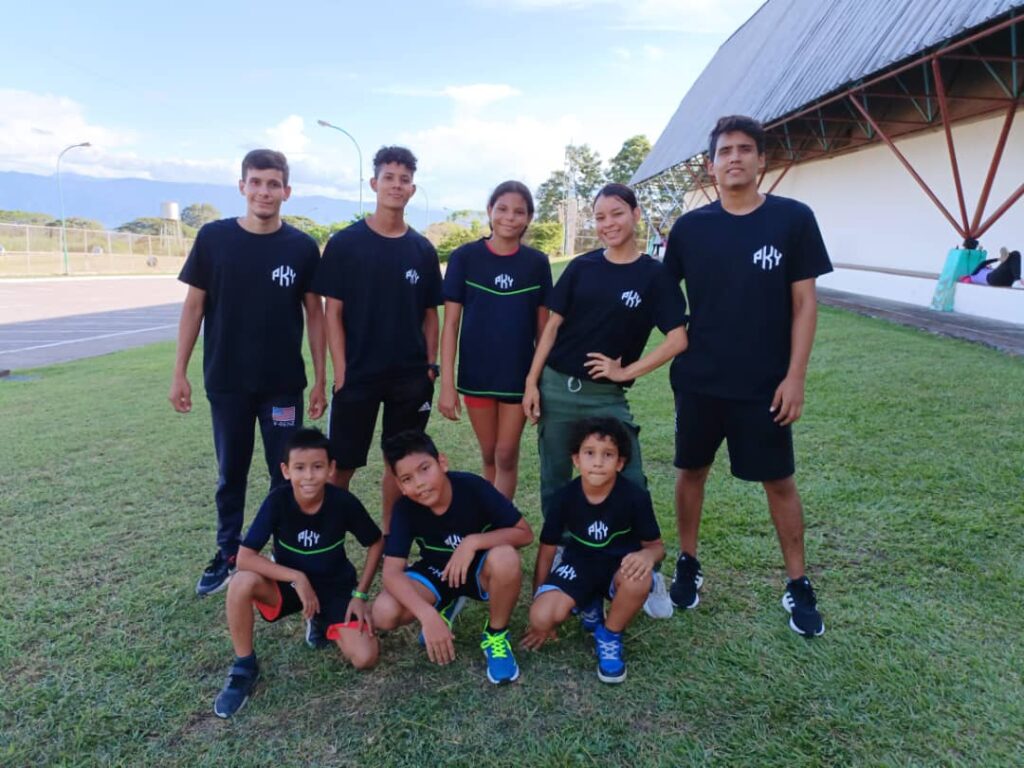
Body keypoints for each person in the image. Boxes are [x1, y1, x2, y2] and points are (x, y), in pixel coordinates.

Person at [663, 115, 832, 637]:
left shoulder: (792, 219)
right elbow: (663, 299)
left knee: (779, 481)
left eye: (744, 149)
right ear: (711, 166)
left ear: (762, 160)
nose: (733, 157)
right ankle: (687, 564)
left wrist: (795, 376)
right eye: (723, 151)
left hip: (764, 384)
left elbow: (805, 304)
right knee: (691, 471)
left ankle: (798, 582)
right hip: (699, 380)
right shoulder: (690, 228)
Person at [521, 182, 687, 617]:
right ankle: (567, 559)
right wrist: (532, 382)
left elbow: (677, 339)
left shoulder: (655, 275)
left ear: (635, 214)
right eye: (599, 217)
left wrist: (625, 372)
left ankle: (642, 569)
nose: (608, 224)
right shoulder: (581, 267)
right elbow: (552, 328)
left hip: (606, 396)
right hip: (557, 386)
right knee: (557, 478)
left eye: (616, 213)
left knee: (629, 477)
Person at [170, 149, 326, 597]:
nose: (264, 191)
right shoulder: (214, 239)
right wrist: (178, 372)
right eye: (255, 182)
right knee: (231, 472)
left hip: (282, 386)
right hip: (227, 382)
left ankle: (290, 554)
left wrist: (319, 376)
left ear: (287, 191)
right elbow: (194, 307)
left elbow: (314, 315)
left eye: (273, 184)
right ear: (242, 186)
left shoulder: (300, 246)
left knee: (288, 473)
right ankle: (228, 554)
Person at [313, 146, 441, 533]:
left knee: (400, 463)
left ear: (412, 189)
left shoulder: (421, 249)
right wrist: (341, 371)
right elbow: (331, 311)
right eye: (389, 177)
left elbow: (431, 315)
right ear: (374, 183)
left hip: (410, 377)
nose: (396, 186)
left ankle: (390, 533)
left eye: (404, 180)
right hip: (358, 376)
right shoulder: (345, 243)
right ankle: (330, 533)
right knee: (342, 464)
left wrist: (431, 367)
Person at [212, 428, 383, 718]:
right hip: (290, 587)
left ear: (330, 469)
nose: (309, 476)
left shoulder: (343, 502)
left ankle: (320, 621)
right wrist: (296, 577)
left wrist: (360, 594)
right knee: (241, 581)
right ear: (286, 470)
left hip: (334, 588)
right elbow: (244, 557)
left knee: (365, 657)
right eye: (300, 468)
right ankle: (244, 666)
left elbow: (376, 542)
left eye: (317, 467)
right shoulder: (278, 501)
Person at [371, 430, 534, 685]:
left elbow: (524, 534)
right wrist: (426, 615)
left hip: (478, 570)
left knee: (506, 558)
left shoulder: (472, 487)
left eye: (425, 469)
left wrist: (473, 542)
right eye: (408, 479)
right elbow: (391, 572)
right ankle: (442, 606)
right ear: (400, 486)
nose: (420, 483)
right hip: (437, 573)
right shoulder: (404, 508)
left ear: (442, 462)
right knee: (383, 612)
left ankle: (496, 635)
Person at [521, 417, 665, 684]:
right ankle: (589, 602)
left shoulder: (635, 497)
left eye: (607, 454)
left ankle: (609, 635)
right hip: (578, 565)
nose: (598, 462)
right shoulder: (564, 497)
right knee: (541, 618)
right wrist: (537, 595)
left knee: (639, 578)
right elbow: (547, 548)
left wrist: (647, 556)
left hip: (617, 567)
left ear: (620, 463)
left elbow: (657, 548)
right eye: (589, 453)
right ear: (576, 459)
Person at [438, 180, 552, 500]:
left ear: (529, 218)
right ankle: (493, 519)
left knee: (506, 454)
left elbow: (544, 331)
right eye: (502, 208)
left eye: (519, 211)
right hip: (476, 374)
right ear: (489, 211)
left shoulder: (537, 263)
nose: (509, 217)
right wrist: (447, 384)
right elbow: (451, 326)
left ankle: (501, 531)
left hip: (518, 376)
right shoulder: (465, 258)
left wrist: (537, 381)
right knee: (489, 454)